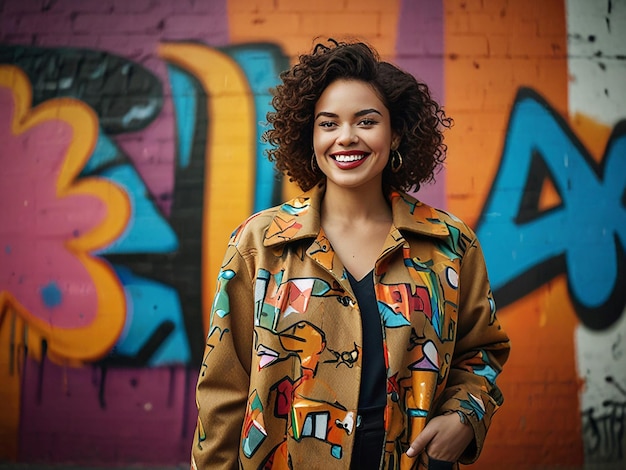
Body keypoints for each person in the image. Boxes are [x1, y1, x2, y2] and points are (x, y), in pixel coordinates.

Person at [191, 39, 510, 470]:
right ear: (310, 134)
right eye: (328, 123)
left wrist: (465, 416)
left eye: (366, 121)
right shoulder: (259, 245)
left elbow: (482, 352)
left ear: (395, 132)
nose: (346, 137)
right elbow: (223, 388)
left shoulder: (449, 244)